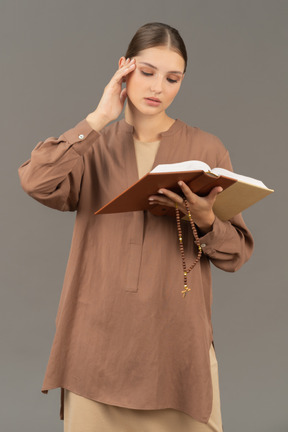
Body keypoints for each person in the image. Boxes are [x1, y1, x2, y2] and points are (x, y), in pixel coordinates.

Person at [18, 22, 254, 432]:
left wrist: (204, 220)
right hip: (95, 348)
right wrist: (97, 118)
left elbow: (236, 254)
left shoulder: (206, 148)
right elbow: (37, 181)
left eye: (172, 78)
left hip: (178, 349)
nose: (157, 87)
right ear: (124, 68)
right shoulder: (93, 147)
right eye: (147, 72)